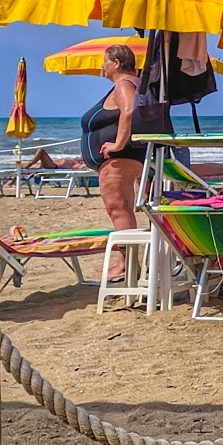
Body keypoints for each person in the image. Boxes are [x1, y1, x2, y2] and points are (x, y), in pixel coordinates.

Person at [80, 44, 145, 280]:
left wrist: (117, 144)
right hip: (126, 158)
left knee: (118, 210)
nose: (102, 66)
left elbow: (128, 110)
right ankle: (125, 262)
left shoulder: (124, 84)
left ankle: (127, 266)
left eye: (104, 61)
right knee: (123, 210)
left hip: (119, 159)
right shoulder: (135, 83)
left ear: (116, 63)